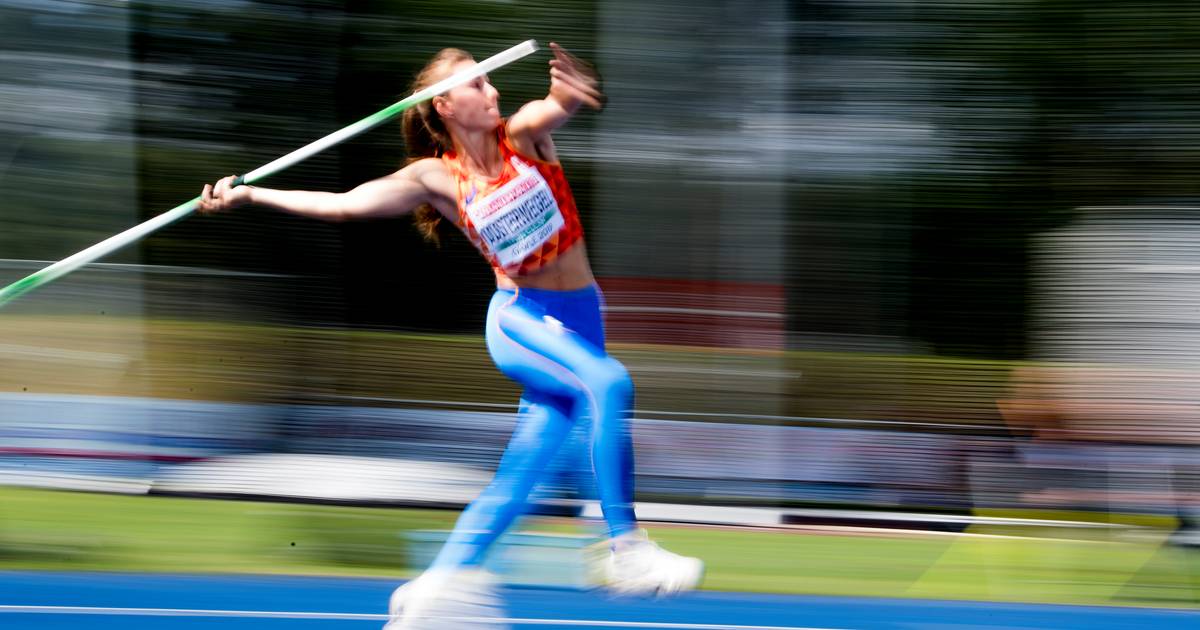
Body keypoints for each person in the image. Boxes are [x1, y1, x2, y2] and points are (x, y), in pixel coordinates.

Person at [199, 42, 703, 628]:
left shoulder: (523, 137)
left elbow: (555, 105)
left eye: (491, 82)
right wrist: (251, 193)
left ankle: (436, 591)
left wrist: (571, 90)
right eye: (478, 84)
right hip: (521, 320)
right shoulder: (437, 177)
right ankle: (626, 550)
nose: (493, 92)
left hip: (583, 319)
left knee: (523, 473)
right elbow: (343, 204)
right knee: (610, 385)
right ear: (444, 105)